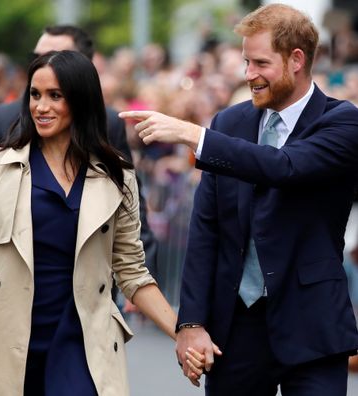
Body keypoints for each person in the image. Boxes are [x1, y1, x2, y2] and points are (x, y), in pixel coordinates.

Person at [120, 3, 358, 395]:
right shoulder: (230, 124)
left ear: (296, 59)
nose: (249, 75)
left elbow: (284, 167)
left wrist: (192, 136)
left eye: (260, 63)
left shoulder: (342, 121)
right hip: (237, 326)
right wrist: (191, 322)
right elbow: (205, 229)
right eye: (246, 62)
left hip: (312, 325)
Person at [0, 50, 194, 396]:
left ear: (81, 99)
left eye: (55, 96)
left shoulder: (116, 175)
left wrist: (184, 333)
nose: (41, 107)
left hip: (83, 344)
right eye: (35, 95)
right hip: (6, 341)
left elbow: (132, 271)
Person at [0, 25, 158, 279]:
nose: (42, 107)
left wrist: (143, 274)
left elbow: (128, 205)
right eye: (38, 58)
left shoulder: (109, 124)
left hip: (90, 292)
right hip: (13, 286)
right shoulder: (1, 121)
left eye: (58, 56)